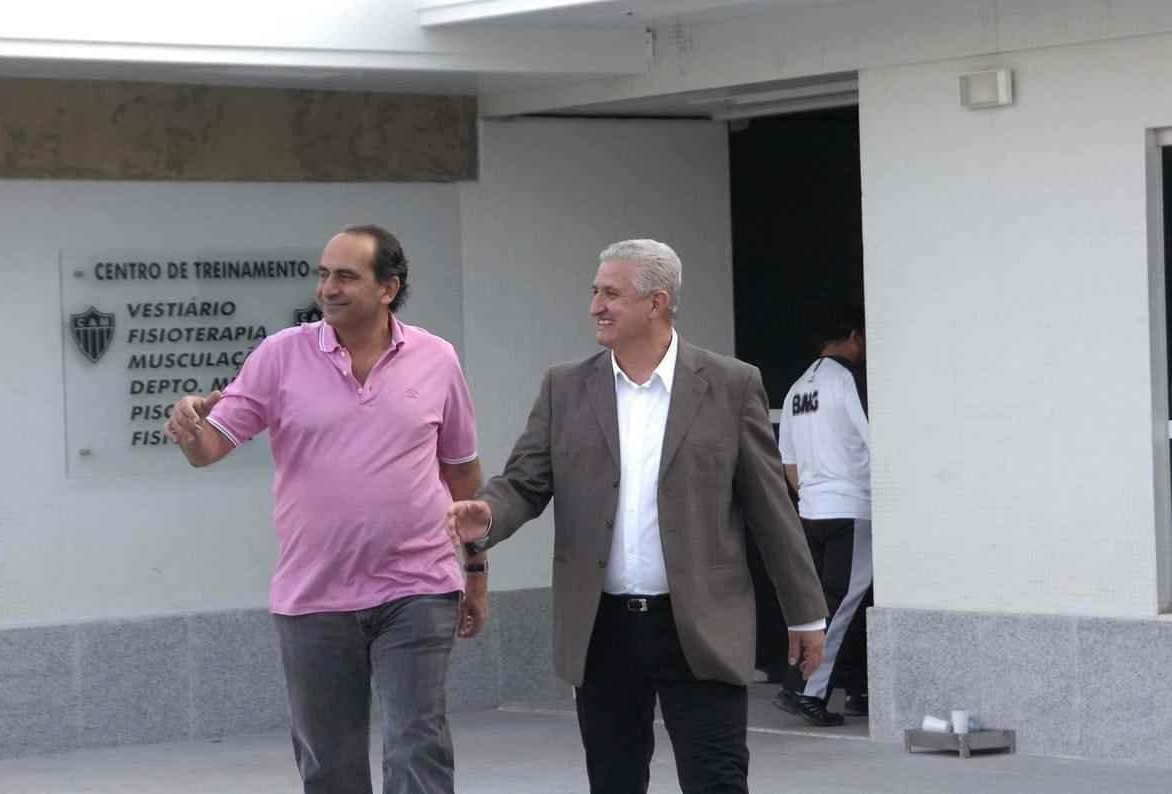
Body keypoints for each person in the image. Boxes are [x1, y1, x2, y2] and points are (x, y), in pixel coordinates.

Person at [446, 239, 828, 794]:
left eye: (611, 293)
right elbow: (524, 483)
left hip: (700, 625)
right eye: (595, 292)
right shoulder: (565, 387)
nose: (595, 306)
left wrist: (806, 614)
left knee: (718, 780)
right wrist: (487, 514)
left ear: (657, 302)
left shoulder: (730, 384)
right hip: (603, 629)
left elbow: (772, 508)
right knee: (614, 781)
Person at [163, 224, 487, 794]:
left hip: (418, 586)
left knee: (419, 748)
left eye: (345, 275)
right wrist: (189, 425)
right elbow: (210, 447)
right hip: (314, 594)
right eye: (323, 274)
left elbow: (462, 474)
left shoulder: (437, 359)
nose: (328, 288)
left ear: (388, 288)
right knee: (329, 765)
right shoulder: (280, 355)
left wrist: (477, 573)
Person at [773, 304, 872, 727]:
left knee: (829, 604)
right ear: (854, 337)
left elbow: (788, 463)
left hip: (812, 509)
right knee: (844, 604)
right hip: (852, 509)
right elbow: (876, 440)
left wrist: (814, 495)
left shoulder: (797, 388)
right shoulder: (848, 381)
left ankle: (855, 690)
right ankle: (803, 691)